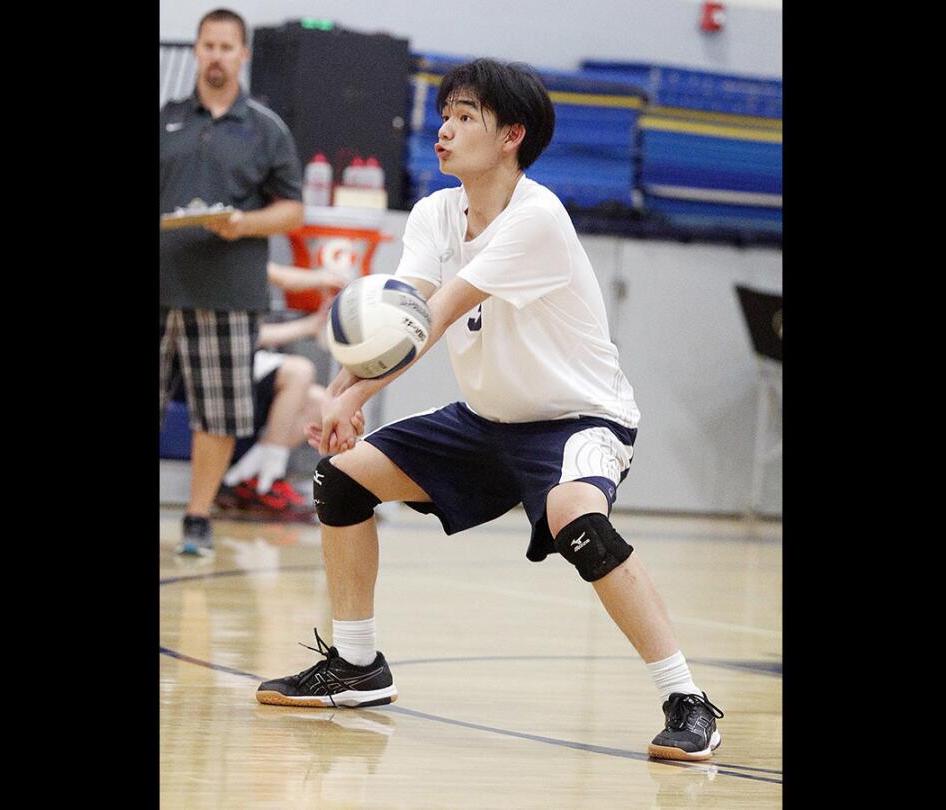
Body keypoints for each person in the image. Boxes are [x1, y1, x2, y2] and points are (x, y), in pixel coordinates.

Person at [255, 59, 725, 763]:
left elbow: (437, 316)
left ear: (512, 135)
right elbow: (400, 316)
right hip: (486, 422)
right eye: (443, 114)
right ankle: (356, 665)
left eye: (465, 116)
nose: (443, 130)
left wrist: (346, 397)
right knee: (341, 478)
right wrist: (342, 394)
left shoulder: (537, 219)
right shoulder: (434, 212)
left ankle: (687, 700)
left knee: (578, 521)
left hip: (578, 419)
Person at [159, 8, 304, 556]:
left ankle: (197, 517)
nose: (216, 55)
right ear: (196, 50)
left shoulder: (266, 129)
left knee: (216, 413)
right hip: (161, 286)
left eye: (227, 46)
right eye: (208, 45)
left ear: (243, 55)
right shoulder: (167, 118)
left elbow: (291, 210)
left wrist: (244, 223)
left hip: (228, 296)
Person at [215, 263, 351, 522]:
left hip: (249, 368)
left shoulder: (249, 255)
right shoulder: (217, 266)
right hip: (217, 363)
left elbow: (280, 275)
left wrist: (330, 280)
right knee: (299, 370)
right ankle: (270, 477)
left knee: (323, 403)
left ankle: (247, 479)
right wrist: (308, 326)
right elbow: (245, 337)